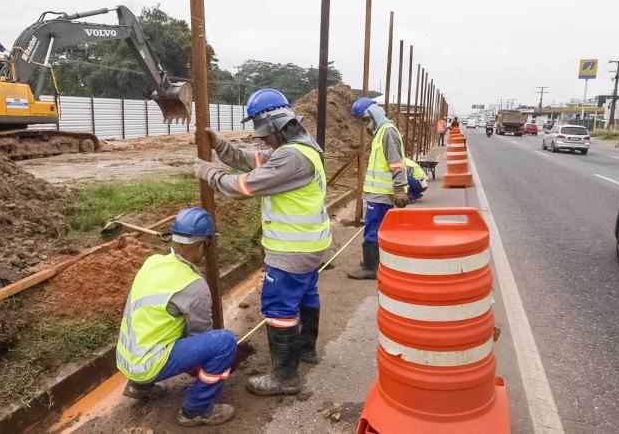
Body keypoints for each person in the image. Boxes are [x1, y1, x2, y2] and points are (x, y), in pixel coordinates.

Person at [193, 88, 331, 397]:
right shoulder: (302, 148)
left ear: (274, 126)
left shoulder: (291, 157)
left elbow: (243, 186)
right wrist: (220, 146)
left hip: (291, 251)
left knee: (280, 308)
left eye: (264, 134)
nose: (263, 140)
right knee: (306, 297)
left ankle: (285, 377)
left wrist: (209, 173)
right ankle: (305, 350)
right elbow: (251, 160)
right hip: (310, 247)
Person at [116, 207, 237, 427]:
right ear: (203, 244)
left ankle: (138, 386)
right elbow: (201, 333)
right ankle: (196, 410)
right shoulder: (192, 285)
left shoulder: (152, 263)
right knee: (224, 343)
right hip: (148, 364)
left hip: (127, 360)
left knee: (164, 321)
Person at [347, 97, 408, 280]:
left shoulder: (387, 132)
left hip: (381, 194)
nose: (366, 125)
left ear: (374, 114)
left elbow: (396, 163)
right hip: (376, 194)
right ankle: (374, 261)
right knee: (377, 227)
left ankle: (371, 267)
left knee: (373, 227)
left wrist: (399, 189)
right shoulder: (381, 132)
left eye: (366, 120)